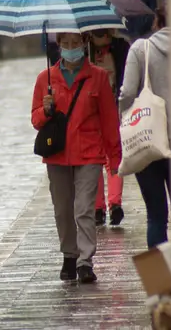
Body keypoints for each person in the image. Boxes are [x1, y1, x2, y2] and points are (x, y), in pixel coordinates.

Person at [31, 32, 122, 283]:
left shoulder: (98, 77)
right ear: (58, 46)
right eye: (66, 44)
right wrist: (46, 109)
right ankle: (69, 255)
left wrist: (114, 160)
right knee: (63, 210)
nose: (71, 48)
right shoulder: (45, 79)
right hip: (57, 155)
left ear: (84, 44)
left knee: (84, 209)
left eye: (76, 43)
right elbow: (36, 120)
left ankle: (85, 261)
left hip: (89, 153)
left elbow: (109, 120)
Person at [118, 2, 171, 248]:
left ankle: (159, 284)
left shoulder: (141, 48)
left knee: (155, 217)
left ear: (155, 22)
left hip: (147, 137)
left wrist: (125, 118)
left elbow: (127, 92)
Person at [88, 29, 131, 226]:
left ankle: (115, 204)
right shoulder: (82, 50)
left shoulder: (121, 48)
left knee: (114, 154)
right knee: (94, 158)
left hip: (115, 108)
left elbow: (128, 79)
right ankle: (98, 207)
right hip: (90, 112)